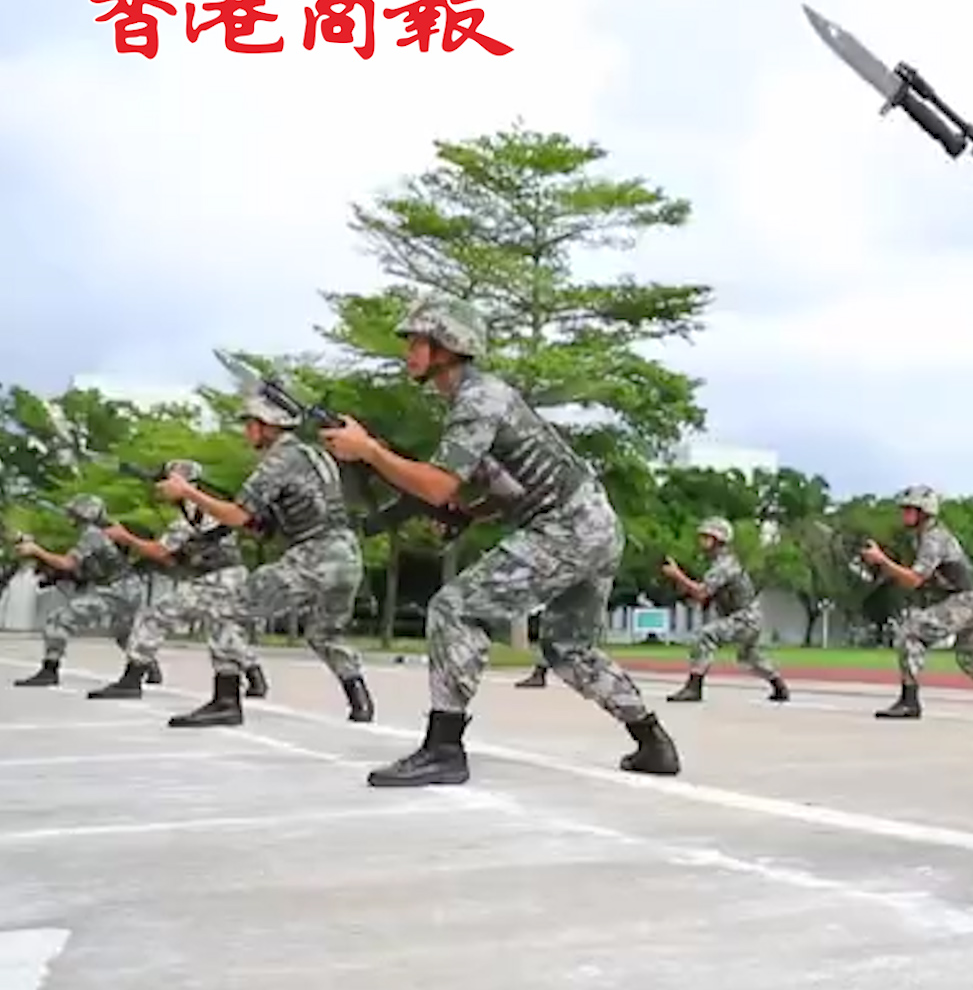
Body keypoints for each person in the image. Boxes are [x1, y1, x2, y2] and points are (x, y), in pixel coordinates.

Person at [317, 292, 680, 787]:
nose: (408, 352)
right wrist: (471, 514)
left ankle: (444, 748)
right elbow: (511, 488)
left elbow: (437, 483)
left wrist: (369, 451)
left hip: (566, 527)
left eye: (416, 342)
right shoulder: (481, 397)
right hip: (591, 524)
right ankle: (652, 741)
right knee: (569, 648)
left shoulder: (477, 398)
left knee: (454, 608)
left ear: (445, 347)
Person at [158, 394, 375, 727]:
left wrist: (188, 492)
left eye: (251, 424)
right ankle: (359, 699)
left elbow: (235, 515)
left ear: (268, 426)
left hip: (313, 554)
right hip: (346, 553)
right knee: (324, 632)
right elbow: (266, 523)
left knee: (224, 609)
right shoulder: (315, 455)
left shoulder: (279, 460)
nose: (247, 432)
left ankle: (226, 701)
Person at [89, 460, 270, 704]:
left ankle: (131, 680)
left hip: (216, 578)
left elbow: (160, 552)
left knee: (154, 617)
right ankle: (255, 677)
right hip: (228, 576)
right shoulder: (197, 509)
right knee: (223, 629)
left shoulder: (195, 510)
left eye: (165, 481)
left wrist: (125, 537)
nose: (160, 487)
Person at [863, 486, 973, 720]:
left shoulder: (933, 539)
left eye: (910, 509)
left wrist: (882, 560)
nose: (904, 514)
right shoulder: (923, 537)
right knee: (969, 660)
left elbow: (914, 580)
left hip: (967, 599)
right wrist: (883, 568)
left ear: (924, 512)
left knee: (910, 632)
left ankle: (909, 701)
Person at [9, 495, 142, 688]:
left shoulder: (93, 534)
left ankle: (49, 670)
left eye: (73, 512)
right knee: (123, 632)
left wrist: (37, 551)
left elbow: (67, 563)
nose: (69, 516)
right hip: (125, 589)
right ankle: (145, 663)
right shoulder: (102, 531)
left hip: (117, 590)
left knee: (59, 619)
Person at [660, 516, 791, 703]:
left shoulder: (725, 565)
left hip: (744, 617)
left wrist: (677, 575)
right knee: (749, 656)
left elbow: (702, 593)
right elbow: (703, 595)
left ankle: (693, 688)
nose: (701, 540)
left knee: (705, 636)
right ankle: (779, 687)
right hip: (749, 617)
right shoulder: (719, 564)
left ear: (718, 539)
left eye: (706, 536)